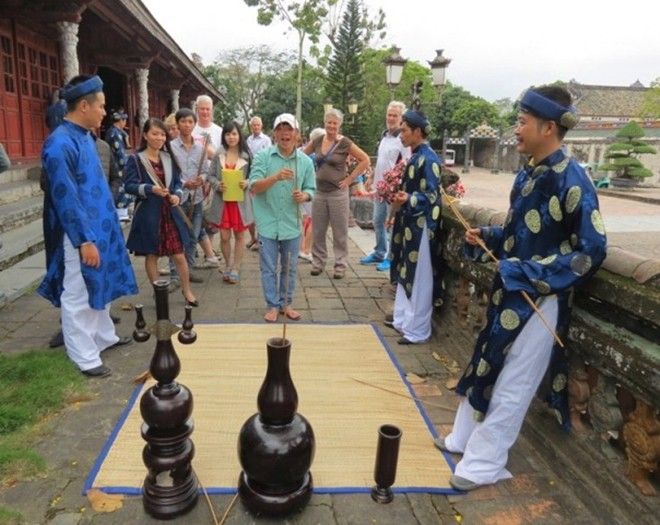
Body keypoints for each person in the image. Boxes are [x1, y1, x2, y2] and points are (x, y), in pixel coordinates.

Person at [436, 85, 607, 492]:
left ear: (549, 127)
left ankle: (484, 463)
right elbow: (518, 231)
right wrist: (490, 237)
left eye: (522, 121)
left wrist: (531, 273)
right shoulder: (528, 173)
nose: (516, 129)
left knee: (515, 382)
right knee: (485, 360)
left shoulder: (574, 180)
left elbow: (592, 251)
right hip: (510, 291)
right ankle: (463, 439)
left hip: (541, 299)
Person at [39, 75, 137, 377]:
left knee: (101, 286)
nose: (105, 112)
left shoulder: (84, 136)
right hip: (78, 234)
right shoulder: (58, 145)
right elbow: (65, 198)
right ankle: (83, 355)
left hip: (102, 227)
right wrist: (84, 241)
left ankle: (103, 337)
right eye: (102, 106)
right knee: (78, 292)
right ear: (84, 105)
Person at [124, 118, 198, 308]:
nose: (159, 138)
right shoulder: (135, 159)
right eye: (155, 133)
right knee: (152, 255)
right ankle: (159, 292)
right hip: (149, 214)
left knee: (179, 254)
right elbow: (129, 186)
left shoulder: (168, 157)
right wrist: (150, 189)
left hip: (170, 213)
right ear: (145, 135)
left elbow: (177, 183)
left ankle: (187, 290)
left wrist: (177, 196)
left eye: (163, 134)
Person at [249, 113, 315, 323]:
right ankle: (272, 305)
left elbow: (311, 189)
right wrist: (276, 177)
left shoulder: (305, 161)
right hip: (267, 221)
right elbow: (254, 186)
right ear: (274, 134)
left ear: (297, 134)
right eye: (280, 129)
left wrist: (304, 195)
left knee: (289, 266)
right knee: (268, 266)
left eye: (290, 129)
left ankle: (286, 303)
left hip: (292, 222)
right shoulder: (263, 157)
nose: (285, 133)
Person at [384, 109, 442, 346]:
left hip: (422, 229)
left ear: (418, 132)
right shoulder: (417, 156)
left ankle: (417, 330)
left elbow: (432, 195)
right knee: (406, 273)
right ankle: (402, 320)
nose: (401, 136)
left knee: (419, 279)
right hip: (409, 225)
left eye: (405, 131)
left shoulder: (429, 160)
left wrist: (409, 199)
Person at [303, 108, 370, 279]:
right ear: (324, 123)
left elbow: (365, 160)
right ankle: (318, 262)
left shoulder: (344, 143)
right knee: (318, 229)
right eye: (329, 122)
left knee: (340, 231)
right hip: (319, 192)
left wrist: (349, 179)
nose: (331, 126)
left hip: (338, 193)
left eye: (335, 123)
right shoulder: (317, 140)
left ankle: (340, 264)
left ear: (339, 125)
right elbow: (302, 157)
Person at [168, 108, 220, 285]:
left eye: (190, 122)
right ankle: (175, 274)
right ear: (178, 123)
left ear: (194, 124)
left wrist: (202, 179)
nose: (187, 125)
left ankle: (188, 271)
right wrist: (183, 183)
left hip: (196, 198)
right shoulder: (170, 148)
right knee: (175, 237)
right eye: (183, 121)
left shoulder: (200, 148)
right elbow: (170, 174)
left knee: (192, 235)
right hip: (178, 198)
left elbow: (206, 171)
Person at [361, 101, 410, 272]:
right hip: (379, 188)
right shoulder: (385, 136)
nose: (391, 118)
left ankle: (391, 257)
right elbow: (381, 160)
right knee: (377, 221)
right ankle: (379, 251)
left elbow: (405, 163)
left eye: (395, 115)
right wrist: (372, 177)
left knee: (391, 224)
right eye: (389, 114)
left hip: (393, 190)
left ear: (401, 118)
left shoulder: (402, 140)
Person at [207, 121, 254, 284]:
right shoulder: (218, 153)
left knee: (240, 236)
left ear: (239, 135)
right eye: (228, 134)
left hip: (240, 202)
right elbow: (210, 175)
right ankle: (227, 265)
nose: (231, 137)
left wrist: (247, 182)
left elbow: (255, 176)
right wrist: (217, 185)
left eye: (234, 134)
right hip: (223, 202)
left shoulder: (247, 154)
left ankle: (236, 267)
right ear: (224, 136)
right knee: (225, 237)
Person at [245, 116, 272, 250]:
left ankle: (261, 240)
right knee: (249, 209)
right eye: (253, 125)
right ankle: (253, 238)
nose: (256, 127)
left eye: (258, 125)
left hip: (262, 176)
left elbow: (268, 158)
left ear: (261, 126)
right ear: (251, 126)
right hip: (249, 175)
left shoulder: (266, 140)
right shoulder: (247, 140)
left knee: (260, 209)